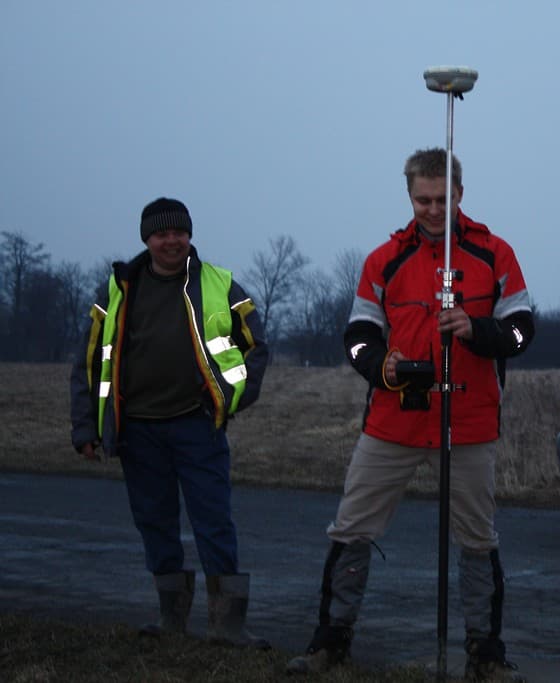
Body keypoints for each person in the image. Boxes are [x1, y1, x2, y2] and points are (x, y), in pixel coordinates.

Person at [286, 149, 534, 680]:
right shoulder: (384, 260)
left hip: (468, 424)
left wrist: (478, 329)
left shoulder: (496, 255)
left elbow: (521, 332)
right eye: (423, 199)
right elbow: (356, 338)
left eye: (443, 199)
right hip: (393, 421)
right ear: (408, 196)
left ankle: (486, 655)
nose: (433, 209)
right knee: (351, 528)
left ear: (461, 195)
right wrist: (382, 367)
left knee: (478, 538)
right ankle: (330, 642)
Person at [69, 197, 270, 648]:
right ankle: (171, 620)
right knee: (154, 523)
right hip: (137, 431)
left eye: (178, 232)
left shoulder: (220, 283)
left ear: (189, 235)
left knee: (214, 522)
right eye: (161, 233)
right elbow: (88, 361)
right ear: (147, 238)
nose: (171, 241)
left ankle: (227, 626)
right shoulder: (118, 289)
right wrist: (86, 427)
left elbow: (257, 348)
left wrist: (227, 399)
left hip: (197, 427)